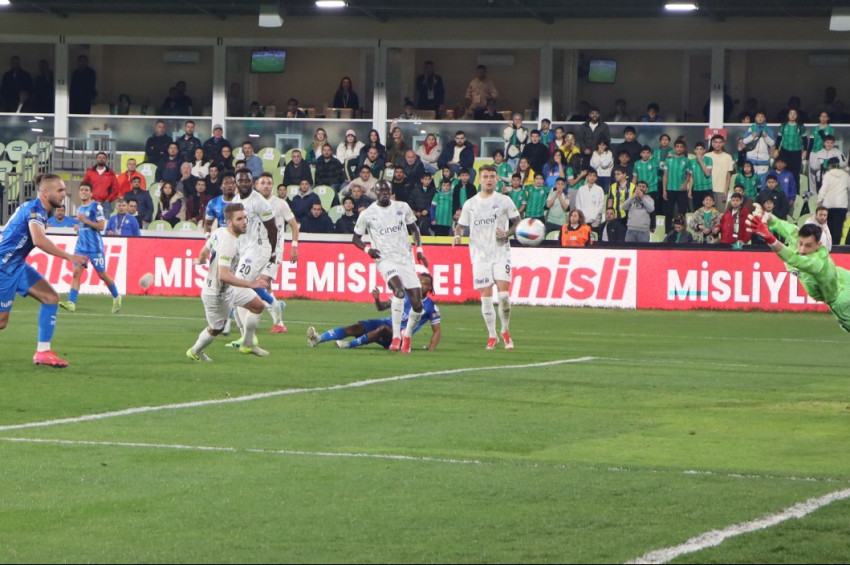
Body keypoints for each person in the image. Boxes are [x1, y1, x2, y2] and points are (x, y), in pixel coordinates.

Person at [0, 174, 90, 367]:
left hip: (16, 265)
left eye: (64, 190)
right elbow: (38, 240)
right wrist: (70, 257)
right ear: (45, 192)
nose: (64, 194)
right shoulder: (35, 210)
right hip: (3, 266)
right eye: (60, 190)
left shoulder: (39, 209)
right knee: (1, 322)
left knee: (50, 298)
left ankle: (43, 352)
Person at [187, 203, 272, 361]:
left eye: (245, 218)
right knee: (216, 329)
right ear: (230, 222)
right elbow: (223, 275)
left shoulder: (219, 232)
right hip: (216, 294)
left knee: (258, 305)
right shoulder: (229, 244)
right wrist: (251, 284)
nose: (245, 221)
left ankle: (247, 344)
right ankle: (195, 351)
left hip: (230, 289)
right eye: (239, 219)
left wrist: (200, 259)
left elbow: (204, 250)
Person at [746, 206, 850, 333]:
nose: (802, 249)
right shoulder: (796, 235)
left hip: (842, 299)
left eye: (808, 246)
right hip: (844, 276)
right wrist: (764, 216)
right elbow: (777, 222)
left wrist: (769, 238)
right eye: (801, 244)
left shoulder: (817, 262)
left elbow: (793, 259)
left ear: (818, 246)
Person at [353, 180, 428, 354]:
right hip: (385, 259)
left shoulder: (402, 207)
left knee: (418, 306)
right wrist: (367, 249)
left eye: (387, 190)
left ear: (391, 192)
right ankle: (396, 338)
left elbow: (414, 229)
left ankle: (406, 334)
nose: (385, 193)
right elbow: (355, 238)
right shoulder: (368, 214)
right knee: (399, 291)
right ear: (375, 192)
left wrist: (420, 250)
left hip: (405, 259)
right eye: (381, 191)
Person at [453, 164, 520, 350]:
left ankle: (505, 331)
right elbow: (461, 225)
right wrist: (458, 235)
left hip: (500, 252)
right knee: (486, 298)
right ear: (480, 179)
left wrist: (506, 234)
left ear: (497, 178)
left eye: (492, 176)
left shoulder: (504, 200)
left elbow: (518, 223)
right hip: (479, 255)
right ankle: (492, 335)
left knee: (504, 296)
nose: (489, 179)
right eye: (485, 176)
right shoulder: (470, 204)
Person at [307, 270, 441, 351]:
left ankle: (348, 345)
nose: (420, 284)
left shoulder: (430, 306)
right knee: (357, 327)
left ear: (430, 288)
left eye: (424, 283)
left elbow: (437, 330)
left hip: (399, 337)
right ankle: (318, 338)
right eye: (419, 281)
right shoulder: (403, 293)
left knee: (382, 329)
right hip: (386, 324)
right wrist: (377, 299)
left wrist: (431, 347)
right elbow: (382, 307)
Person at [228, 169, 280, 344]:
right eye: (240, 180)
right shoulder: (236, 201)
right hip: (244, 249)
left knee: (237, 287)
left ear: (252, 182)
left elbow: (273, 228)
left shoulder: (259, 201)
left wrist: (272, 253)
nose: (243, 183)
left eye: (247, 180)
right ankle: (245, 337)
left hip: (259, 249)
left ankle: (249, 336)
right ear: (236, 182)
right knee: (234, 291)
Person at [58, 181, 122, 314]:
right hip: (81, 247)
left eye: (86, 190)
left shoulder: (96, 207)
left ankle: (116, 296)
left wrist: (84, 221)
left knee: (102, 275)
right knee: (76, 273)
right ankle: (71, 302)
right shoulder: (80, 208)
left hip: (94, 248)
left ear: (91, 193)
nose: (83, 192)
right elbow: (84, 225)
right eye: (82, 190)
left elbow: (101, 226)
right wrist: (79, 227)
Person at [254, 172, 299, 333]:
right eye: (263, 183)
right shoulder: (254, 203)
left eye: (269, 183)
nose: (266, 185)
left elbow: (294, 225)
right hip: (257, 251)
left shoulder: (280, 204)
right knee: (266, 289)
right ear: (257, 185)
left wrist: (294, 246)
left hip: (274, 252)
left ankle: (252, 325)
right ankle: (278, 319)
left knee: (258, 284)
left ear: (272, 186)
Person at [816, 157, 850, 245]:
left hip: (829, 206)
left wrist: (819, 200)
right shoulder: (845, 175)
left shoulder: (827, 175)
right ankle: (836, 247)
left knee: (829, 228)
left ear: (830, 165)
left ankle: (830, 247)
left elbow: (824, 189)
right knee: (838, 228)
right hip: (842, 206)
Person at [662, 138, 692, 235]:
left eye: (681, 147)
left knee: (682, 212)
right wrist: (664, 190)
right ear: (674, 148)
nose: (679, 149)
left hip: (681, 190)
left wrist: (685, 183)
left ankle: (682, 232)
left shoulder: (687, 160)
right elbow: (665, 175)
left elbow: (689, 174)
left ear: (683, 149)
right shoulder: (668, 160)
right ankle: (667, 232)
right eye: (677, 147)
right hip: (670, 189)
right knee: (668, 212)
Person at [82, 151, 119, 216]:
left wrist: (108, 199)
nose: (101, 159)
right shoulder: (90, 171)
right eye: (99, 157)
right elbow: (84, 185)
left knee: (105, 223)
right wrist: (88, 197)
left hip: (105, 203)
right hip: (91, 202)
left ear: (106, 160)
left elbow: (116, 188)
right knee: (90, 221)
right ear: (96, 159)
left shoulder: (110, 173)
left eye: (103, 158)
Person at [203, 170, 238, 235]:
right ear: (221, 186)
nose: (230, 185)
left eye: (233, 183)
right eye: (226, 183)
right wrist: (208, 236)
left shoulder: (242, 202)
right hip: (222, 240)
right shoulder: (213, 203)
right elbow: (207, 224)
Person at [574, 168, 606, 235]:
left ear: (596, 178)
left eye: (594, 176)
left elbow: (601, 204)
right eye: (590, 175)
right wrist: (582, 216)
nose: (592, 177)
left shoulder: (599, 189)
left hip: (595, 218)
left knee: (594, 236)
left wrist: (594, 215)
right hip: (583, 218)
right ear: (587, 177)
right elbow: (578, 203)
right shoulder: (581, 189)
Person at [708, 134, 735, 211]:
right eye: (716, 142)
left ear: (723, 144)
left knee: (720, 214)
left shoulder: (728, 157)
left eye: (720, 142)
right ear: (712, 143)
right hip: (709, 188)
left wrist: (726, 191)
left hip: (721, 190)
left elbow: (728, 175)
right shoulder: (707, 156)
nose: (718, 144)